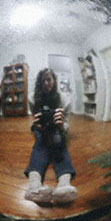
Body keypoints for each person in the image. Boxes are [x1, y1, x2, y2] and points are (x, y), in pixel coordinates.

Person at [24, 68, 78, 205]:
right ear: (39, 83)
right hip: (40, 129)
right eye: (43, 81)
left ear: (54, 81)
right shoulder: (32, 98)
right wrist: (38, 127)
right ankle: (34, 186)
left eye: (49, 79)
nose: (46, 83)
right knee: (41, 143)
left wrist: (61, 126)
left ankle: (64, 186)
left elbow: (66, 125)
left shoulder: (65, 100)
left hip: (57, 129)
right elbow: (34, 118)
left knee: (59, 144)